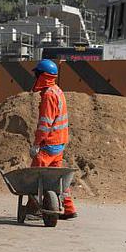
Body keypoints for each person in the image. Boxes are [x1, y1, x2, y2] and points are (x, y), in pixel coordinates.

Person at [30, 59, 77, 219]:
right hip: (59, 143)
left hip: (49, 144)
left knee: (34, 177)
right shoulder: (58, 90)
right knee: (59, 179)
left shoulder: (49, 95)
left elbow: (45, 124)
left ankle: (33, 209)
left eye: (36, 74)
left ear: (42, 76)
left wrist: (36, 144)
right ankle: (69, 209)